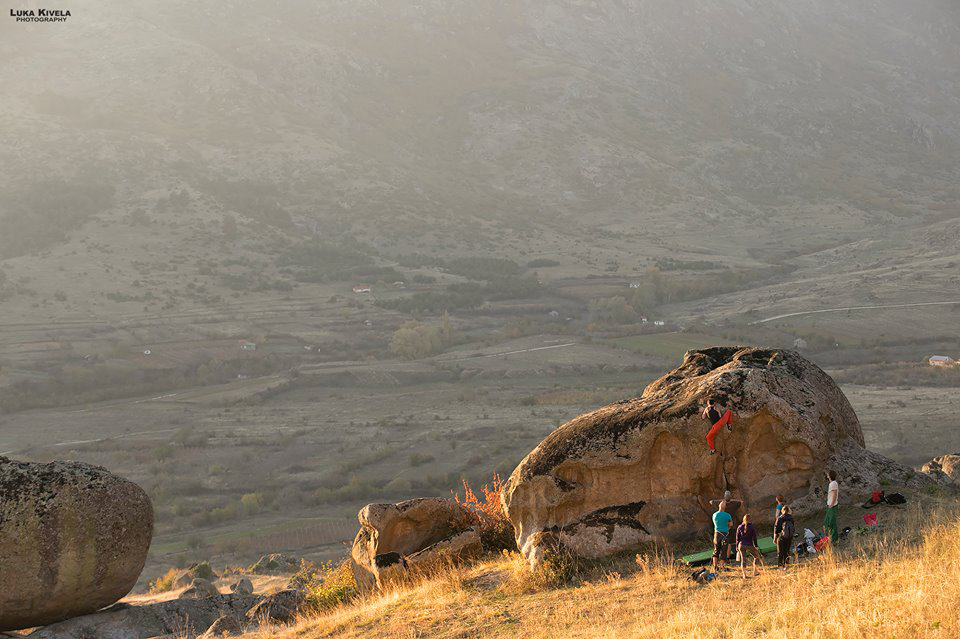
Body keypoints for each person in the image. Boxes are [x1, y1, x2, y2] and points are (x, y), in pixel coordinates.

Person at [735, 514, 764, 578]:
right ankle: (755, 572)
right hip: (749, 545)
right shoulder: (751, 527)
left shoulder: (739, 527)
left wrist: (737, 546)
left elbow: (737, 538)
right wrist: (756, 545)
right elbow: (754, 538)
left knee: (743, 559)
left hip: (741, 545)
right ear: (750, 520)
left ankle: (744, 575)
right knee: (757, 557)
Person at [712, 500, 733, 572]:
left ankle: (715, 567)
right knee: (723, 551)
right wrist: (727, 527)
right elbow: (730, 525)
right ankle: (722, 567)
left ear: (719, 506)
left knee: (716, 550)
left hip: (716, 535)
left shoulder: (714, 515)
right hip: (725, 535)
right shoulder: (728, 515)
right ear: (725, 507)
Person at [824, 470, 840, 544]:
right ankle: (831, 537)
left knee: (831, 523)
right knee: (828, 522)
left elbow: (834, 494)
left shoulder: (833, 484)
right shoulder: (832, 483)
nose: (827, 475)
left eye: (828, 474)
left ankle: (834, 539)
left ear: (830, 476)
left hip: (832, 506)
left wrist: (831, 504)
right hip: (831, 505)